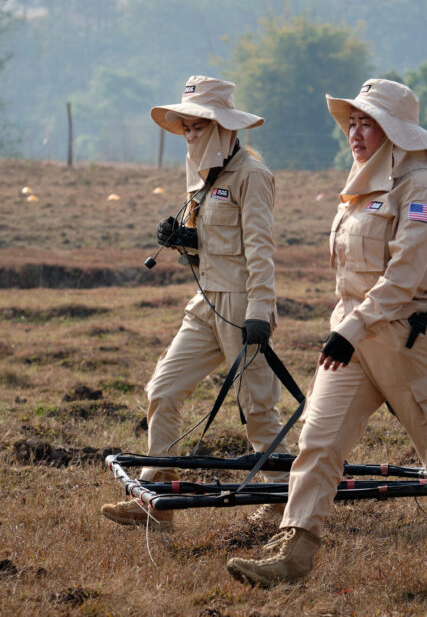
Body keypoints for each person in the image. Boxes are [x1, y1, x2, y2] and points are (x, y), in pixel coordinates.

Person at [226, 79, 427, 586]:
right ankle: (294, 553)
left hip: (405, 337)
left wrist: (350, 327)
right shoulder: (362, 182)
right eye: (352, 121)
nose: (355, 131)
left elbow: (404, 277)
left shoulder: (422, 188)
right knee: (318, 440)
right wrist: (346, 326)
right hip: (352, 337)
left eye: (367, 122)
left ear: (394, 130)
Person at [101, 75, 287, 530]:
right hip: (205, 304)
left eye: (198, 126)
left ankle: (285, 505)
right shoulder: (201, 175)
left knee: (259, 410)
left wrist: (260, 312)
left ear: (223, 127)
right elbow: (212, 244)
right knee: (162, 390)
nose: (189, 134)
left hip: (243, 306)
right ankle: (156, 499)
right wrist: (185, 240)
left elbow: (260, 251)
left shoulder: (253, 177)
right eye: (185, 126)